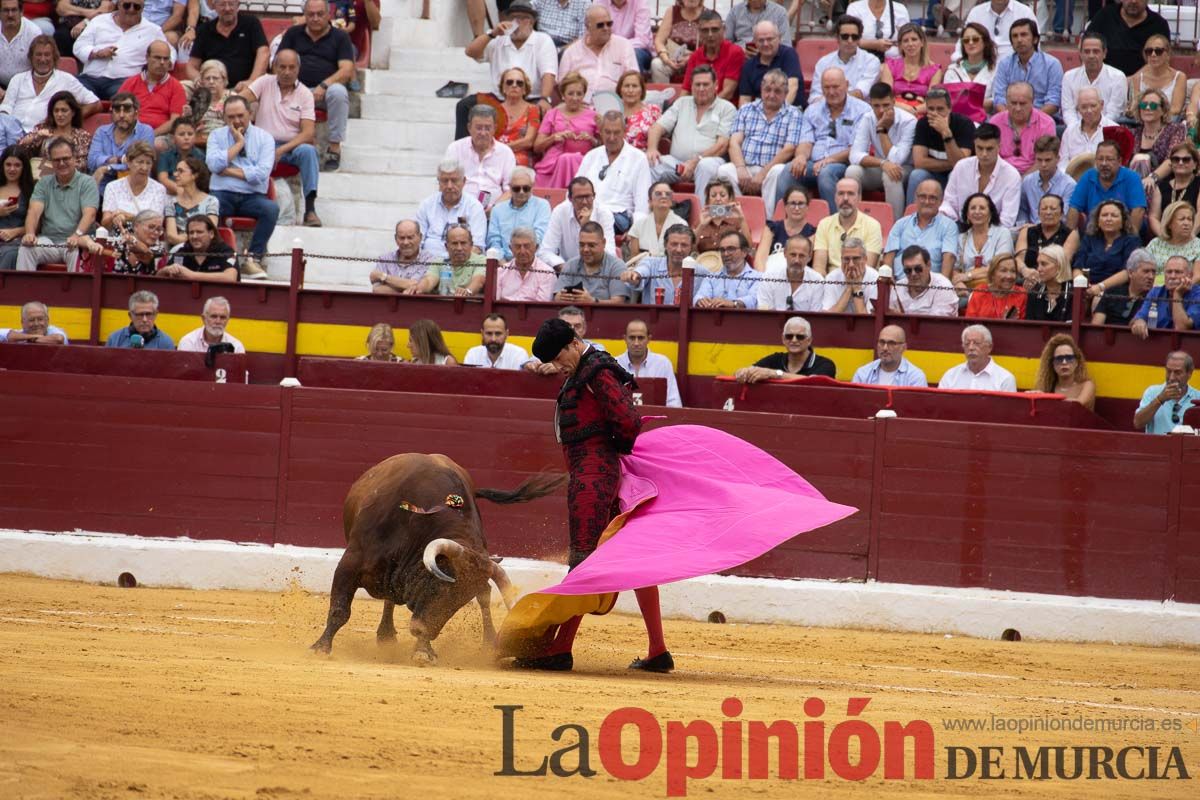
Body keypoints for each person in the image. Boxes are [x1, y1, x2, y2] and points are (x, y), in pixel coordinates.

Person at [515, 315, 669, 674]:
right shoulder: (584, 372)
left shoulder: (596, 372)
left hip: (594, 477)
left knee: (583, 562)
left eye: (558, 357)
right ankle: (658, 649)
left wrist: (606, 455)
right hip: (594, 473)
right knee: (636, 559)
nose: (557, 366)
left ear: (573, 343)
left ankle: (560, 648)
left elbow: (628, 423)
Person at [241, 48, 322, 227]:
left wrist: (280, 150)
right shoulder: (264, 82)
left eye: (291, 67)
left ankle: (310, 209)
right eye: (282, 67)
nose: (287, 72)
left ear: (298, 69)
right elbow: (240, 101)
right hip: (262, 145)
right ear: (274, 67)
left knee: (309, 151)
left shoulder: (305, 94)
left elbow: (308, 133)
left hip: (290, 147)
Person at [459, 2, 556, 141]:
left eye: (523, 18)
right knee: (464, 105)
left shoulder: (542, 40)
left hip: (530, 98)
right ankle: (461, 153)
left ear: (532, 22)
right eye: (513, 18)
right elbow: (470, 52)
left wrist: (545, 98)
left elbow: (549, 73)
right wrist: (492, 34)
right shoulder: (498, 39)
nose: (517, 22)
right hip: (499, 98)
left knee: (543, 111)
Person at [779, 68, 872, 212]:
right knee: (789, 169)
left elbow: (857, 148)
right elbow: (806, 141)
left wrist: (829, 160)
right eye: (826, 87)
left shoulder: (862, 110)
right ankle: (780, 221)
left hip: (843, 163)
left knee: (826, 173)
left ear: (846, 85)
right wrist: (801, 156)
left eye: (836, 87)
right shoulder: (812, 110)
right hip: (814, 163)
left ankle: (837, 222)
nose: (831, 92)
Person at [205, 95, 276, 279]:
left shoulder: (265, 138)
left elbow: (261, 175)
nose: (236, 121)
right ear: (224, 118)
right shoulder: (216, 135)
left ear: (250, 114)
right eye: (231, 117)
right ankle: (218, 256)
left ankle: (253, 259)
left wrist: (227, 170)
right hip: (222, 194)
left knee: (271, 209)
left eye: (240, 115)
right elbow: (213, 166)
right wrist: (238, 144)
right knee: (211, 205)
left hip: (252, 197)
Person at [278, 0, 354, 172]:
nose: (315, 18)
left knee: (339, 92)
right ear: (304, 15)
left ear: (328, 15)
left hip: (324, 92)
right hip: (294, 89)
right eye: (310, 14)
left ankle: (334, 148)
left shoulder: (340, 37)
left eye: (320, 14)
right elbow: (279, 62)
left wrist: (323, 85)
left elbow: (347, 69)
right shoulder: (293, 34)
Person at [644, 65, 732, 201]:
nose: (701, 89)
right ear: (691, 86)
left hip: (710, 161)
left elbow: (722, 145)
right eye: (697, 84)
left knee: (705, 166)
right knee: (649, 163)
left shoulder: (726, 108)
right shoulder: (681, 103)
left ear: (716, 85)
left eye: (706, 84)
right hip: (677, 163)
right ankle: (647, 213)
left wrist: (696, 161)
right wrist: (652, 149)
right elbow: (657, 128)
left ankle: (702, 217)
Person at [720, 69, 800, 211]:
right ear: (761, 90)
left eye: (777, 91)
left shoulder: (794, 114)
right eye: (767, 90)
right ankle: (739, 214)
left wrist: (763, 174)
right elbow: (734, 142)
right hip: (745, 166)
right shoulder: (746, 109)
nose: (771, 95)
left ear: (786, 94)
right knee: (724, 170)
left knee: (779, 171)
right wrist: (740, 168)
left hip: (770, 169)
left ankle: (768, 220)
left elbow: (789, 149)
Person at [17, 135, 98, 271]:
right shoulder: (44, 183)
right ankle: (25, 291)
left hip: (77, 241)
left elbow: (90, 214)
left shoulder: (87, 182)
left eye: (65, 158)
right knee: (26, 248)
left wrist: (76, 235)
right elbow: (34, 212)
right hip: (49, 240)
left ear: (75, 158)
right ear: (51, 162)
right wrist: (30, 233)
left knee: (77, 252)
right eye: (56, 160)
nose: (61, 163)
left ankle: (78, 293)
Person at [73, 2, 173, 100]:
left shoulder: (153, 30)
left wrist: (156, 66)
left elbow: (169, 53)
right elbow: (78, 46)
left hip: (124, 81)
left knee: (125, 100)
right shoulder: (99, 21)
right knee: (69, 97)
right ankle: (93, 108)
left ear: (142, 9)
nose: (131, 9)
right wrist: (97, 53)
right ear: (119, 5)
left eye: (136, 7)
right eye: (127, 5)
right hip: (90, 78)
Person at [0, 35, 99, 133]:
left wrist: (69, 119)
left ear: (54, 57)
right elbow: (6, 108)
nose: (43, 60)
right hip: (11, 134)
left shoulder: (66, 80)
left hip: (44, 136)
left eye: (47, 55)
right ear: (31, 57)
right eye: (38, 54)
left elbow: (95, 103)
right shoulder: (18, 79)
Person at [846, 81, 914, 220]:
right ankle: (852, 220)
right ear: (870, 103)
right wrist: (883, 163)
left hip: (905, 168)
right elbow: (855, 155)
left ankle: (896, 224)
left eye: (886, 105)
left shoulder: (909, 121)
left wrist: (882, 130)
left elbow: (897, 160)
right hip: (881, 166)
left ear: (894, 101)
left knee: (891, 175)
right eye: (876, 106)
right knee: (852, 171)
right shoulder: (868, 117)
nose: (881, 110)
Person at [577, 109, 651, 235]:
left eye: (616, 132)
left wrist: (636, 231)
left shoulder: (638, 158)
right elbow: (574, 190)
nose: (612, 138)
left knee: (596, 220)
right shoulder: (591, 156)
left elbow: (642, 204)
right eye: (607, 132)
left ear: (624, 132)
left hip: (618, 216)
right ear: (600, 132)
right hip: (588, 212)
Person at [940, 122, 1021, 229]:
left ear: (999, 147)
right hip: (960, 226)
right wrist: (945, 219)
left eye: (989, 149)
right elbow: (949, 203)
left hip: (993, 232)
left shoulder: (1012, 176)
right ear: (974, 145)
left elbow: (1007, 220)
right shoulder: (961, 167)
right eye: (980, 148)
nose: (984, 154)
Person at [906, 86, 974, 204]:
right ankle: (911, 216)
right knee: (917, 175)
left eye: (940, 109)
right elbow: (919, 162)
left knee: (955, 174)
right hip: (933, 174)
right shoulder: (923, 124)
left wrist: (946, 133)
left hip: (958, 175)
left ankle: (956, 219)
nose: (935, 113)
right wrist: (951, 163)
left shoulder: (965, 124)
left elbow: (961, 166)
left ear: (949, 108)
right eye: (931, 109)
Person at [557, 4, 637, 103]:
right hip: (579, 107)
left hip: (614, 108)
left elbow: (634, 80)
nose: (606, 28)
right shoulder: (572, 52)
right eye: (600, 25)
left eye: (609, 24)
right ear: (588, 27)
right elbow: (562, 85)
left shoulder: (624, 45)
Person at [444, 104, 515, 212]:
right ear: (469, 128)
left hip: (495, 212)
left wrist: (494, 209)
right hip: (460, 209)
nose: (483, 133)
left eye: (487, 128)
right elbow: (447, 183)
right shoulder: (455, 148)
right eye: (478, 128)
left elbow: (510, 190)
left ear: (495, 128)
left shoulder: (505, 152)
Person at [532, 71, 596, 189]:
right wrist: (553, 138)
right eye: (571, 93)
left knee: (570, 158)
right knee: (566, 159)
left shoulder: (594, 116)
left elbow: (602, 146)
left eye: (579, 94)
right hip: (553, 165)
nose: (575, 98)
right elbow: (537, 147)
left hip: (584, 165)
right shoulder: (552, 114)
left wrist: (591, 139)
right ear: (563, 95)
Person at [413, 159, 487, 261]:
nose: (449, 186)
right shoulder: (427, 205)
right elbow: (416, 242)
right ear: (438, 182)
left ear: (464, 181)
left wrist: (450, 262)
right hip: (427, 264)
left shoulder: (474, 207)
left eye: (454, 180)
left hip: (461, 265)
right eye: (444, 181)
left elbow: (478, 247)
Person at [186, 0, 268, 91]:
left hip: (241, 89)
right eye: (222, 4)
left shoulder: (251, 23)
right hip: (210, 88)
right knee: (183, 88)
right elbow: (191, 66)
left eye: (231, 4)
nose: (227, 8)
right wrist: (199, 79)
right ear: (214, 7)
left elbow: (264, 52)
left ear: (238, 5)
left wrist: (252, 82)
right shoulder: (204, 30)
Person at [1066, 139, 1146, 233]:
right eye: (1100, 159)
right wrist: (1068, 237)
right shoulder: (1088, 176)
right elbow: (1074, 208)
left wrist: (1130, 240)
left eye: (1109, 159)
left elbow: (1138, 210)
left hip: (1124, 234)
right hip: (1093, 234)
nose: (1104, 163)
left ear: (1119, 161)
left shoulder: (1132, 178)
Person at [539, 175, 615, 268]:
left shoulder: (604, 214)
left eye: (588, 197)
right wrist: (564, 267)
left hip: (597, 271)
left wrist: (586, 226)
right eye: (579, 197)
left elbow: (610, 253)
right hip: (567, 271)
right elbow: (545, 251)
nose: (584, 202)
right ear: (570, 199)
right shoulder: (560, 211)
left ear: (594, 196)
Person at [883, 180, 957, 276]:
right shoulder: (900, 224)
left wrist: (942, 286)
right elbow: (889, 257)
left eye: (932, 198)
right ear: (916, 199)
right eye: (922, 197)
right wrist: (890, 283)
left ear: (940, 201)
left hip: (931, 286)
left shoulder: (949, 226)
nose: (927, 202)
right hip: (900, 284)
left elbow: (949, 258)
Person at [86, 91, 154, 197]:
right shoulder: (102, 131)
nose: (121, 115)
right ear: (112, 113)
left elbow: (140, 164)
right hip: (102, 186)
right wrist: (119, 160)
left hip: (132, 187)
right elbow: (92, 162)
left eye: (127, 110)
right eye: (117, 110)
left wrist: (107, 168)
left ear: (136, 113)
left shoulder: (145, 131)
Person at [990, 19, 1061, 118]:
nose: (1019, 40)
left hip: (1043, 119)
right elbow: (999, 99)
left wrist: (1029, 120)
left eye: (1024, 35)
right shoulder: (1005, 64)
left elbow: (1054, 102)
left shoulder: (1052, 64)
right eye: (1015, 36)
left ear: (1035, 39)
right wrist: (1013, 119)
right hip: (1010, 118)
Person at [812, 177, 882, 275]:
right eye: (841, 193)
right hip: (831, 284)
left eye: (850, 193)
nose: (845, 198)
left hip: (860, 282)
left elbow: (867, 268)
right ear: (835, 198)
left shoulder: (873, 225)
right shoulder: (824, 224)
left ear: (859, 198)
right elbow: (819, 267)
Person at [734, 315, 837, 381]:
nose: (794, 340)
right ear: (783, 339)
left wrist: (774, 374)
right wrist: (743, 372)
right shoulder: (775, 359)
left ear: (809, 340)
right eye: (789, 336)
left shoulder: (826, 364)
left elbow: (813, 382)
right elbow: (748, 370)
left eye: (800, 337)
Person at [1084, 0, 1169, 78]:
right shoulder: (1105, 16)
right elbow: (1085, 46)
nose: (1133, 1)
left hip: (1142, 84)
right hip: (1105, 82)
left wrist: (1131, 81)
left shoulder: (1159, 25)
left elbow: (1161, 60)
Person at [1061, 31, 1127, 128]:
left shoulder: (1118, 77)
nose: (1091, 56)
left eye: (1096, 51)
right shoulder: (1069, 77)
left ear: (1104, 53)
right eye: (1087, 51)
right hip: (1076, 130)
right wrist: (1078, 130)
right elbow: (1068, 111)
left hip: (1107, 130)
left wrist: (1094, 130)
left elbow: (1114, 113)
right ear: (1080, 54)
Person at [1075, 199, 1140, 296]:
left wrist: (1100, 287)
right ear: (1098, 221)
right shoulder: (1089, 238)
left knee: (1098, 301)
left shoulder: (1131, 241)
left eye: (1114, 216)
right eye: (1104, 215)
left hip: (1116, 290)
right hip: (1087, 288)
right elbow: (1077, 267)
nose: (1108, 219)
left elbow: (1127, 272)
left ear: (1123, 222)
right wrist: (1082, 286)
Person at [810, 15, 881, 104]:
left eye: (854, 37)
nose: (850, 41)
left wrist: (832, 99)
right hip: (826, 111)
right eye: (845, 36)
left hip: (859, 112)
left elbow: (860, 93)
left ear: (859, 38)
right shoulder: (823, 63)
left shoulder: (871, 61)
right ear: (837, 37)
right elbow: (815, 96)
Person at [117, 40, 183, 135]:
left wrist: (150, 135)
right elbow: (118, 112)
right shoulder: (131, 83)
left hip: (161, 135)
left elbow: (175, 121)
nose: (162, 62)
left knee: (157, 145)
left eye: (166, 59)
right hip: (130, 132)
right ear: (147, 58)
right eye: (157, 58)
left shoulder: (176, 86)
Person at [554, 220, 629, 303]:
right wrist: (562, 297)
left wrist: (593, 302)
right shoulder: (571, 264)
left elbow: (619, 302)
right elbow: (557, 297)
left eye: (591, 245)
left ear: (604, 243)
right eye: (582, 245)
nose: (585, 249)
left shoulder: (616, 266)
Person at [989, 81, 1054, 176]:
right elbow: (991, 157)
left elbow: (1045, 161)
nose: (1018, 108)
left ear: (1032, 102)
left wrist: (1022, 181)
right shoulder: (995, 122)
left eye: (1022, 103)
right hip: (1001, 176)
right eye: (1013, 103)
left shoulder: (1046, 123)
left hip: (1035, 176)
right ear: (1006, 102)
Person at [954, 192, 1013, 294]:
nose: (977, 212)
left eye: (982, 208)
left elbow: (1001, 267)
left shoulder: (1002, 233)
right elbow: (955, 268)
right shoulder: (962, 238)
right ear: (967, 214)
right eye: (973, 208)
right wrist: (958, 283)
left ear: (990, 213)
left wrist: (968, 275)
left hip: (995, 288)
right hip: (966, 289)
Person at [620, 222, 693, 305]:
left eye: (684, 245)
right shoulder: (651, 263)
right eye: (674, 244)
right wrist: (634, 275)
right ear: (665, 245)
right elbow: (642, 271)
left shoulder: (702, 272)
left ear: (691, 247)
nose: (679, 250)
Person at [486, 165, 549, 260]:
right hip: (503, 261)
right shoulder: (497, 210)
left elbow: (538, 237)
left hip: (531, 259)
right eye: (516, 188)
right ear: (510, 188)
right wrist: (501, 260)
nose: (521, 192)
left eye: (526, 188)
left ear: (532, 187)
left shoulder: (542, 206)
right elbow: (494, 241)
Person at [614, 318, 681, 408]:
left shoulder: (663, 364)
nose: (636, 343)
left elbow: (674, 403)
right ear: (625, 339)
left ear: (649, 339)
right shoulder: (614, 365)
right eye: (632, 338)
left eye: (641, 338)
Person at [1128, 88, 1186, 191]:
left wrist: (1152, 177)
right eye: (1143, 105)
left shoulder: (1175, 129)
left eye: (1153, 105)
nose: (1148, 108)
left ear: (1163, 110)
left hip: (1163, 185)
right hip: (1134, 185)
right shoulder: (1133, 133)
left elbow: (1172, 159)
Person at [99, 139, 164, 230]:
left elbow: (156, 222)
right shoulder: (112, 187)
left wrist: (127, 217)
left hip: (148, 240)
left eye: (148, 163)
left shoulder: (159, 189)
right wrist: (114, 217)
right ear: (129, 162)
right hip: (119, 238)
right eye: (140, 162)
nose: (144, 168)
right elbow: (105, 223)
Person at [736, 20, 803, 107]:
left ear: (779, 38)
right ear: (755, 42)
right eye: (761, 40)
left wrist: (777, 114)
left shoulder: (788, 54)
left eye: (770, 39)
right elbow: (744, 98)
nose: (765, 44)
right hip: (760, 113)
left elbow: (792, 87)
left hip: (790, 110)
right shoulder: (749, 66)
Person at [880, 23, 941, 116]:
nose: (910, 44)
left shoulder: (934, 70)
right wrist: (907, 110)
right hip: (894, 113)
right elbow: (885, 97)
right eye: (905, 41)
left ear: (922, 42)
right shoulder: (890, 65)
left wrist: (914, 110)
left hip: (921, 114)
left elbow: (932, 102)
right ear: (900, 45)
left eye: (914, 39)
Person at [681, 9, 742, 101]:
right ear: (699, 32)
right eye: (705, 30)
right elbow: (686, 90)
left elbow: (727, 93)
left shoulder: (735, 52)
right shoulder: (695, 56)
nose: (710, 34)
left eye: (715, 29)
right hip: (698, 107)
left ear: (724, 30)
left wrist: (705, 109)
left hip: (723, 109)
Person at [1131, 256, 1200, 337]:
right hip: (1157, 344)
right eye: (1169, 272)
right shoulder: (1155, 292)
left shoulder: (1197, 294)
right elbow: (1136, 319)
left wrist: (1177, 294)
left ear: (1190, 275)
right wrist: (1139, 322)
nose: (1172, 276)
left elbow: (1181, 328)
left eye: (1178, 272)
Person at [1133, 350, 1199, 434]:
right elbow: (1138, 423)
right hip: (1156, 446)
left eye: (1177, 372)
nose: (1171, 377)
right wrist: (1160, 399)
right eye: (1168, 371)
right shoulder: (1152, 392)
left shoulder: (1198, 397)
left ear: (1189, 373)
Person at [157, 213, 236, 282]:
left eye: (199, 232)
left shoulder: (225, 251)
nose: (194, 236)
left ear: (211, 234)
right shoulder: (182, 252)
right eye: (191, 232)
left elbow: (230, 277)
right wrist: (167, 270)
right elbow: (157, 278)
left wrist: (191, 275)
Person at [938, 323, 1016, 392]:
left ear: (989, 347)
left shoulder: (1005, 379)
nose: (971, 347)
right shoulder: (951, 376)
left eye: (977, 343)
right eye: (967, 343)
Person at [942, 23, 997, 117]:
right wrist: (977, 103)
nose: (970, 43)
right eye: (966, 40)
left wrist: (966, 103)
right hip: (956, 121)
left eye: (975, 39)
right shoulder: (952, 70)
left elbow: (996, 100)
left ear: (985, 41)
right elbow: (947, 100)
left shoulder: (996, 70)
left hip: (985, 121)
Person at [415, 223, 486, 296]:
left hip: (470, 304)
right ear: (446, 246)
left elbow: (479, 281)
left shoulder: (481, 260)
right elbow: (429, 281)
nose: (459, 248)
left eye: (463, 243)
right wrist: (418, 288)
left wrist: (467, 291)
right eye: (455, 243)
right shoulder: (439, 262)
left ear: (471, 245)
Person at [1126, 34, 1185, 122]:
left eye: (1158, 51)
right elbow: (1135, 107)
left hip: (1168, 124)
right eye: (1149, 51)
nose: (1153, 54)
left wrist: (1153, 115)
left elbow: (1176, 109)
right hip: (1142, 125)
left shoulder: (1179, 77)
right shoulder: (1137, 78)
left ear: (1168, 54)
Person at [756, 233, 823, 311]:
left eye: (802, 256)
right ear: (784, 253)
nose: (796, 260)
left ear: (809, 257)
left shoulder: (817, 281)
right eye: (793, 255)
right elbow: (764, 312)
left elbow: (816, 316)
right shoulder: (769, 277)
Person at [1149, 141, 1200, 241]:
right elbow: (1153, 217)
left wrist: (1188, 238)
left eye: (1186, 160)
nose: (1180, 162)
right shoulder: (1161, 187)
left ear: (1195, 164)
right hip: (1165, 239)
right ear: (1171, 164)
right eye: (1176, 159)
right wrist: (1165, 237)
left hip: (1194, 238)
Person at [1016, 192, 1078, 275]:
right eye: (1044, 208)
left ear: (1062, 213)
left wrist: (1039, 276)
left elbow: (1063, 262)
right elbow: (1019, 259)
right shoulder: (1026, 231)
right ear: (1038, 213)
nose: (1048, 212)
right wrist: (1025, 271)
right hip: (1027, 278)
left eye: (1053, 209)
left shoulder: (1071, 234)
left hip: (1056, 280)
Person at [695, 230, 759, 308]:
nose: (725, 254)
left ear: (744, 252)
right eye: (722, 250)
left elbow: (754, 299)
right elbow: (699, 296)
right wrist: (701, 301)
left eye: (731, 249)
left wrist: (733, 304)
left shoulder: (757, 278)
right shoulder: (711, 278)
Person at [755, 185, 815, 269]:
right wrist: (764, 280)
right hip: (769, 276)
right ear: (785, 206)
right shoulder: (771, 228)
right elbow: (760, 259)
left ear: (807, 207)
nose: (797, 208)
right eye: (792, 203)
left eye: (801, 204)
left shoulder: (813, 233)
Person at [890, 243, 958, 316]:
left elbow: (937, 323)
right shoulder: (897, 288)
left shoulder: (943, 286)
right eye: (908, 270)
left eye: (918, 269)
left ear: (928, 265)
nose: (913, 274)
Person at [955, 0, 1035, 63]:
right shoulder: (976, 12)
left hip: (1015, 66)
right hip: (983, 67)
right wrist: (959, 58)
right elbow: (963, 40)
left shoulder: (1024, 12)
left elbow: (1034, 46)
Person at [1090, 250, 1154, 326]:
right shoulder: (1112, 293)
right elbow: (1096, 327)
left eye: (1153, 272)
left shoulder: (1155, 298)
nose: (1151, 277)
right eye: (1146, 271)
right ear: (1130, 273)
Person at [1057, 89, 1113, 175]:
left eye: (1093, 106)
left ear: (1101, 105)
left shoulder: (1114, 130)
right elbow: (1062, 163)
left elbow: (1118, 164)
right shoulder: (1070, 131)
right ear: (1078, 109)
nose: (1089, 111)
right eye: (1084, 107)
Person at [370, 219, 433, 294]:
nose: (405, 242)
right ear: (396, 238)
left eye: (410, 237)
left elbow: (416, 286)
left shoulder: (429, 260)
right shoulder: (384, 259)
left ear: (420, 237)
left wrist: (384, 277)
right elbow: (377, 290)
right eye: (402, 238)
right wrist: (405, 290)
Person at [1033, 333, 1094, 409]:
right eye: (1059, 359)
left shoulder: (1086, 385)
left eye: (1069, 358)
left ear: (1076, 363)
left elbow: (1077, 404)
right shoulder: (1049, 387)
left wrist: (1046, 398)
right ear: (1053, 365)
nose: (1064, 362)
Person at [852, 324, 927, 387]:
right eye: (881, 342)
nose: (885, 348)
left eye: (891, 343)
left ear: (903, 347)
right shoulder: (862, 373)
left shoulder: (915, 377)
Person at [495, 67, 539, 169]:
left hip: (520, 155)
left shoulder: (533, 110)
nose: (514, 85)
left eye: (519, 83)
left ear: (524, 90)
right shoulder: (494, 110)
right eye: (509, 82)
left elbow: (529, 141)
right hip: (495, 154)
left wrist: (504, 149)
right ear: (503, 88)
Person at [496, 225, 555, 301]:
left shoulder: (547, 273)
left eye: (527, 246)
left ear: (536, 247)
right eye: (517, 246)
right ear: (511, 248)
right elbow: (496, 302)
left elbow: (541, 306)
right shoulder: (501, 272)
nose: (522, 251)